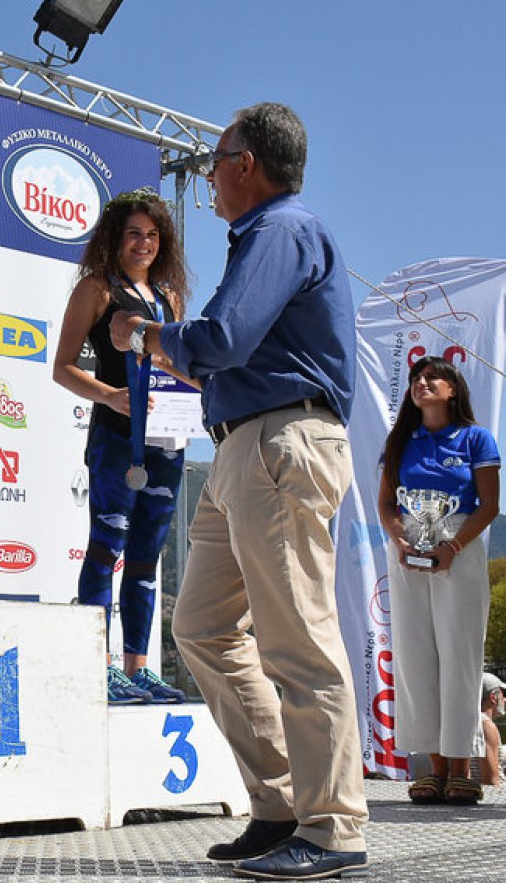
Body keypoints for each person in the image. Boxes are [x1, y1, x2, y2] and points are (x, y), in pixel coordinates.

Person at [113, 103, 367, 879]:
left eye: (213, 162)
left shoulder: (279, 230)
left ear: (245, 164)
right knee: (201, 625)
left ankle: (334, 826)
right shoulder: (272, 235)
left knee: (299, 639)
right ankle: (283, 803)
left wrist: (146, 334)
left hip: (278, 444)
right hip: (244, 448)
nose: (209, 178)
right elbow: (231, 349)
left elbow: (221, 338)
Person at [52, 187, 197, 705]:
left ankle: (138, 668)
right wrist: (110, 396)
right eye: (134, 233)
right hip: (117, 438)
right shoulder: (96, 289)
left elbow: (179, 366)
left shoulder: (169, 298)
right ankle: (100, 666)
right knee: (105, 545)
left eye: (153, 235)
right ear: (115, 237)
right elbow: (62, 367)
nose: (144, 243)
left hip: (168, 439)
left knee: (146, 555)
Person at [376, 355, 501, 805]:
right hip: (408, 546)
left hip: (458, 543)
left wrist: (453, 547)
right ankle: (433, 767)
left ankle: (461, 766)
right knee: (415, 656)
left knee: (458, 654)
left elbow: (489, 505)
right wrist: (398, 538)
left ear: (453, 389)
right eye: (416, 378)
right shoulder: (399, 440)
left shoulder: (475, 438)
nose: (422, 383)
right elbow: (386, 502)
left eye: (433, 377)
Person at [475, 672, 506, 787]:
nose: (505, 699)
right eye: (502, 694)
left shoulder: (463, 722)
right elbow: (490, 781)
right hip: (493, 793)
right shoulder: (485, 725)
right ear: (493, 697)